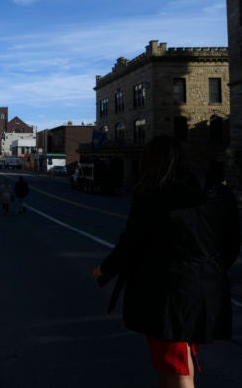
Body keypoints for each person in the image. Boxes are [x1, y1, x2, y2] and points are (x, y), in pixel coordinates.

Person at [92, 135, 240, 388]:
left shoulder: (152, 194)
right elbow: (231, 244)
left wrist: (103, 271)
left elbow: (131, 241)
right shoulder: (220, 193)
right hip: (205, 290)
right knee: (174, 360)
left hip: (167, 294)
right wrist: (206, 272)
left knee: (177, 364)